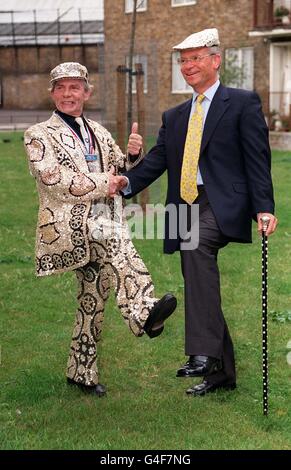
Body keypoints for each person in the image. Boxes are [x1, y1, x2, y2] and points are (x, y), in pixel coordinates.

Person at [119, 29, 278, 396]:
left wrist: (264, 208)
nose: (188, 66)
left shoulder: (241, 102)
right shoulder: (175, 116)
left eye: (195, 58)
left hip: (225, 201)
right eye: (183, 60)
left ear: (215, 60)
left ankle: (203, 353)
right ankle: (222, 374)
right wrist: (124, 183)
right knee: (199, 279)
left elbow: (258, 159)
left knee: (195, 248)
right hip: (187, 204)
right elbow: (157, 161)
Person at [24, 62, 177, 397]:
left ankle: (81, 373)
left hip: (101, 223)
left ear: (87, 93)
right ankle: (142, 311)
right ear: (52, 93)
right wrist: (105, 182)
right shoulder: (37, 135)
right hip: (67, 225)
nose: (68, 94)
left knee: (92, 301)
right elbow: (53, 179)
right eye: (61, 88)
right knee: (115, 235)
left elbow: (119, 170)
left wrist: (133, 157)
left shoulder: (99, 132)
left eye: (74, 87)